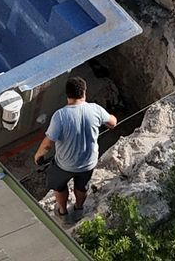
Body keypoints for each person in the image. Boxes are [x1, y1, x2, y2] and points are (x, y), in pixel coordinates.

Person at [34, 76, 116, 222]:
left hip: (64, 164)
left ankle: (63, 212)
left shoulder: (60, 116)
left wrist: (38, 156)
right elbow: (112, 123)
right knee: (82, 187)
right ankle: (79, 209)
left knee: (59, 187)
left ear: (67, 95)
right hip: (88, 163)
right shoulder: (95, 109)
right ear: (84, 92)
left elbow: (47, 144)